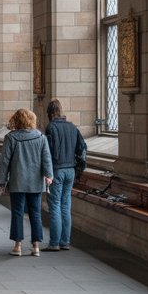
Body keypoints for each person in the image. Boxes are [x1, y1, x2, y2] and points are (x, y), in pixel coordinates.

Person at [0, 108, 53, 256]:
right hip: (35, 182)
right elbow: (46, 159)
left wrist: (1, 181)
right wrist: (49, 176)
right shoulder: (41, 137)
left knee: (17, 213)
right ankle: (36, 246)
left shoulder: (11, 138)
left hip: (17, 181)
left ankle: (18, 246)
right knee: (35, 213)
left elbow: (4, 162)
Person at [44, 98, 87, 251]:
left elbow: (48, 152)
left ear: (50, 113)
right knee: (66, 205)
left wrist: (46, 171)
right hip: (70, 170)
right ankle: (65, 241)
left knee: (54, 205)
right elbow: (82, 148)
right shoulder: (73, 127)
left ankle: (54, 242)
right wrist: (79, 168)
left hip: (57, 170)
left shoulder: (51, 128)